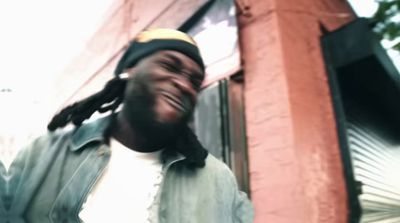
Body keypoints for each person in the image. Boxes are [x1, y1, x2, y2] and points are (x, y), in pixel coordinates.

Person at [5, 28, 254, 223]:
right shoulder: (43, 155)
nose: (184, 85)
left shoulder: (219, 181)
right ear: (129, 70)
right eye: (169, 66)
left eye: (195, 80)